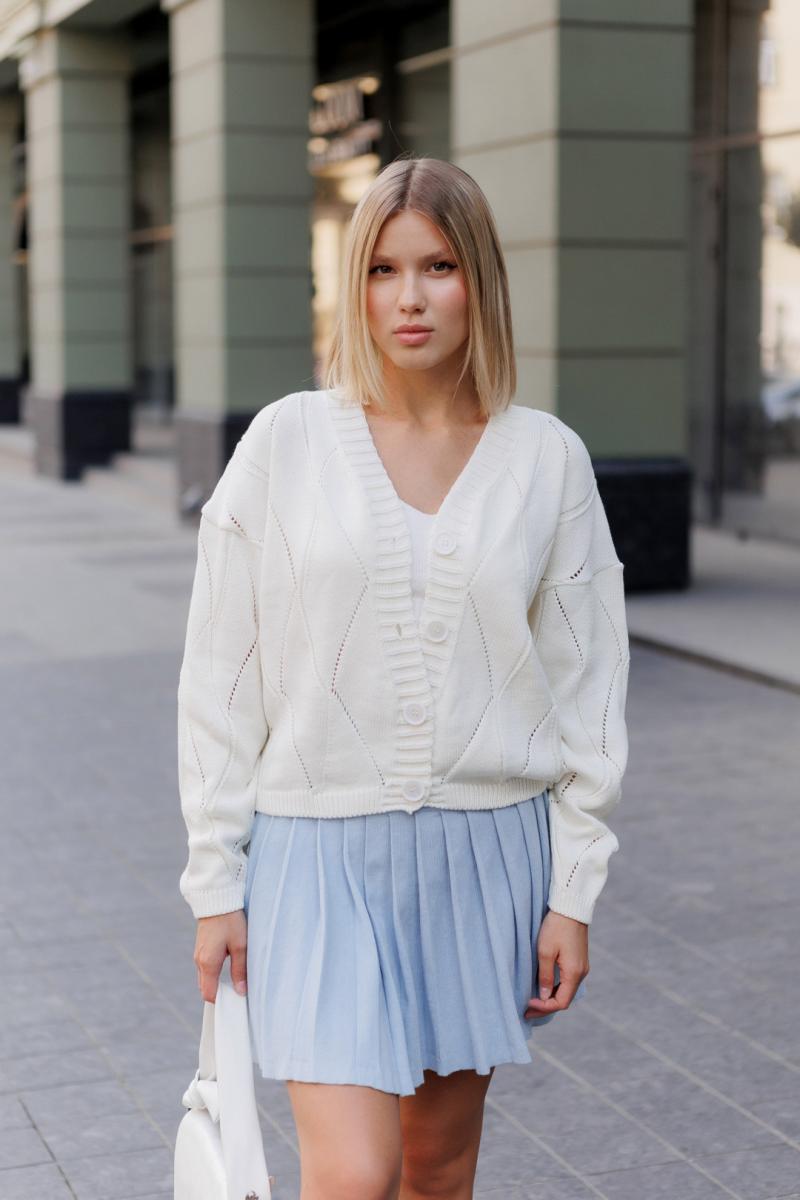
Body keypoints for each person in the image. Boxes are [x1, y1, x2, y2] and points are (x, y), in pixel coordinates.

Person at [176, 155, 631, 1199]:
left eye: (437, 266)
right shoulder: (285, 441)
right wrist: (215, 884)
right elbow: (219, 680)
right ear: (355, 287)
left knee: (436, 1168)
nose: (410, 297)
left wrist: (572, 893)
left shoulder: (547, 460)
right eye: (382, 270)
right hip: (314, 854)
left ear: (480, 281)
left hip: (484, 855)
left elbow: (589, 694)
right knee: (353, 1174)